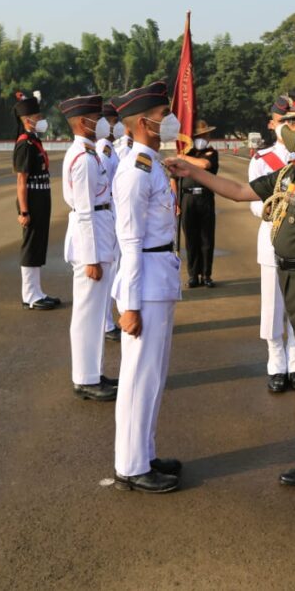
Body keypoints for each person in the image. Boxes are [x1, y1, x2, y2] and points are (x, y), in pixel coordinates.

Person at [165, 93, 295, 487]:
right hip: (292, 277)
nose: (284, 129)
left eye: (292, 123)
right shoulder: (294, 171)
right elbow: (242, 192)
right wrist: (193, 172)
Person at [110, 81, 184, 493]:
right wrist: (130, 304)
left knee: (152, 376)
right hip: (146, 281)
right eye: (162, 114)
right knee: (139, 376)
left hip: (160, 273)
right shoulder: (135, 171)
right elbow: (131, 242)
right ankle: (132, 465)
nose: (169, 120)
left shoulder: (151, 162)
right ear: (143, 122)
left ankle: (145, 451)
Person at [59, 95, 119, 402]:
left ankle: (94, 372)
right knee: (87, 313)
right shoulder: (82, 159)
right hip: (90, 241)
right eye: (98, 117)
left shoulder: (89, 152)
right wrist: (92, 258)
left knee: (96, 313)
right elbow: (84, 211)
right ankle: (84, 378)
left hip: (100, 231)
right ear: (84, 122)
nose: (104, 122)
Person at [249, 96, 295, 393]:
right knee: (272, 305)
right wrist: (270, 208)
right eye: (283, 122)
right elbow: (253, 201)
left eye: (292, 121)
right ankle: (275, 364)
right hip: (272, 237)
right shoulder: (262, 160)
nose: (288, 127)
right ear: (272, 125)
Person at [12, 90, 60, 310]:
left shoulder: (34, 141)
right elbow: (21, 180)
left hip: (41, 199)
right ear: (27, 120)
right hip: (31, 201)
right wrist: (24, 211)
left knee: (39, 245)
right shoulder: (24, 144)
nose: (41, 120)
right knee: (31, 246)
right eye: (38, 117)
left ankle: (37, 291)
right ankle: (29, 295)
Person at [179, 120, 220, 288]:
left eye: (205, 135)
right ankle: (193, 275)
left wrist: (183, 158)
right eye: (200, 136)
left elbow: (204, 165)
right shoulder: (187, 151)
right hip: (187, 198)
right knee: (191, 239)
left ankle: (207, 274)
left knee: (206, 239)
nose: (203, 138)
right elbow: (174, 179)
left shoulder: (210, 153)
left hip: (205, 198)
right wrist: (175, 201)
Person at [99, 98, 123, 341]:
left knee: (116, 266)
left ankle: (110, 318)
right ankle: (106, 323)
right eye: (113, 122)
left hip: (113, 209)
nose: (117, 127)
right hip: (109, 211)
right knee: (111, 267)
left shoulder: (109, 148)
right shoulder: (103, 151)